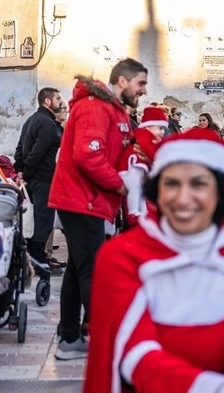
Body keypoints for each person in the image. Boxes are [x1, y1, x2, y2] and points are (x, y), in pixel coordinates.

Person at [84, 128, 224, 392]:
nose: (183, 199)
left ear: (221, 193)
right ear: (156, 190)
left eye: (198, 184)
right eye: (171, 183)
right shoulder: (121, 257)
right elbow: (132, 353)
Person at [48, 58, 147, 360]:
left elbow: (109, 147)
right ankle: (110, 343)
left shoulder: (110, 109)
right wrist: (120, 186)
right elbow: (88, 156)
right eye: (140, 84)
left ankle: (69, 339)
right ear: (122, 81)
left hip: (85, 200)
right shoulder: (95, 106)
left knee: (78, 271)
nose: (143, 91)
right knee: (94, 271)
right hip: (82, 201)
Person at [13, 87, 65, 276]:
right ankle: (38, 261)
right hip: (42, 181)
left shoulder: (31, 121)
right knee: (43, 222)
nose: (61, 101)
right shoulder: (47, 124)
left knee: (37, 221)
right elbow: (36, 152)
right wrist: (25, 172)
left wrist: (20, 170)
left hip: (33, 180)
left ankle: (36, 259)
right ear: (48, 101)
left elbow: (20, 148)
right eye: (58, 98)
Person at [117, 106, 169, 230]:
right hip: (131, 171)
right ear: (148, 126)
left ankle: (138, 213)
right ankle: (135, 213)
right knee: (135, 190)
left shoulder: (148, 138)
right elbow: (152, 154)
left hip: (140, 175)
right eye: (160, 128)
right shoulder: (143, 137)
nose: (163, 132)